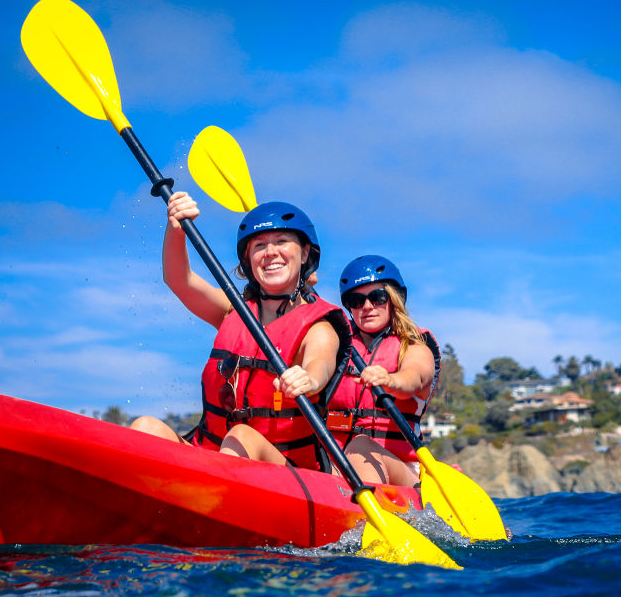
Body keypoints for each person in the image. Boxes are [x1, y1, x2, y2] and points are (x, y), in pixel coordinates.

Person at [130, 192, 350, 471]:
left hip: (288, 473)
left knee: (241, 436)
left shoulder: (319, 327)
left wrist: (308, 379)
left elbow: (321, 362)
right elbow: (179, 280)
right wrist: (176, 229)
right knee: (145, 427)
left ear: (305, 252)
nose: (270, 252)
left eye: (282, 242)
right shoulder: (233, 311)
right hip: (212, 457)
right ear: (248, 259)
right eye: (259, 245)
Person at [326, 255, 441, 486]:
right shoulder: (335, 345)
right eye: (356, 301)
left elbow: (415, 377)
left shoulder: (414, 345)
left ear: (394, 299)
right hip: (336, 462)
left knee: (360, 447)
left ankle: (362, 517)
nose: (367, 307)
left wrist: (389, 379)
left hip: (399, 470)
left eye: (377, 297)